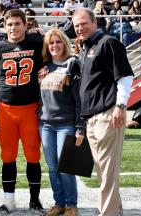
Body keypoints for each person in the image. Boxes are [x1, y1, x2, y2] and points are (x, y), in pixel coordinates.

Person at [72, 8, 134, 216]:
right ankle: (115, 210)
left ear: (95, 22)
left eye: (83, 24)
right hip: (91, 117)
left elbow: (125, 76)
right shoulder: (85, 47)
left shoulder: (108, 42)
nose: (80, 28)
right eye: (76, 25)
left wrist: (121, 105)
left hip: (107, 114)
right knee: (102, 170)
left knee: (107, 170)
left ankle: (106, 213)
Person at [0, 9, 45, 214]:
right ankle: (9, 201)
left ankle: (34, 201)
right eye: (9, 24)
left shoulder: (37, 43)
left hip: (30, 109)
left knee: (33, 156)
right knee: (8, 156)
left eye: (17, 23)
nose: (13, 28)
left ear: (25, 25)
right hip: (6, 110)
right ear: (4, 26)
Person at [38, 28, 85, 216]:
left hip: (66, 123)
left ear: (64, 44)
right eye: (51, 43)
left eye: (58, 42)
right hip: (45, 125)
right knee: (51, 167)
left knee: (66, 167)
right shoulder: (43, 69)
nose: (54, 46)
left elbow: (79, 100)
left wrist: (80, 126)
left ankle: (71, 204)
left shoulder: (72, 66)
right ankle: (59, 202)